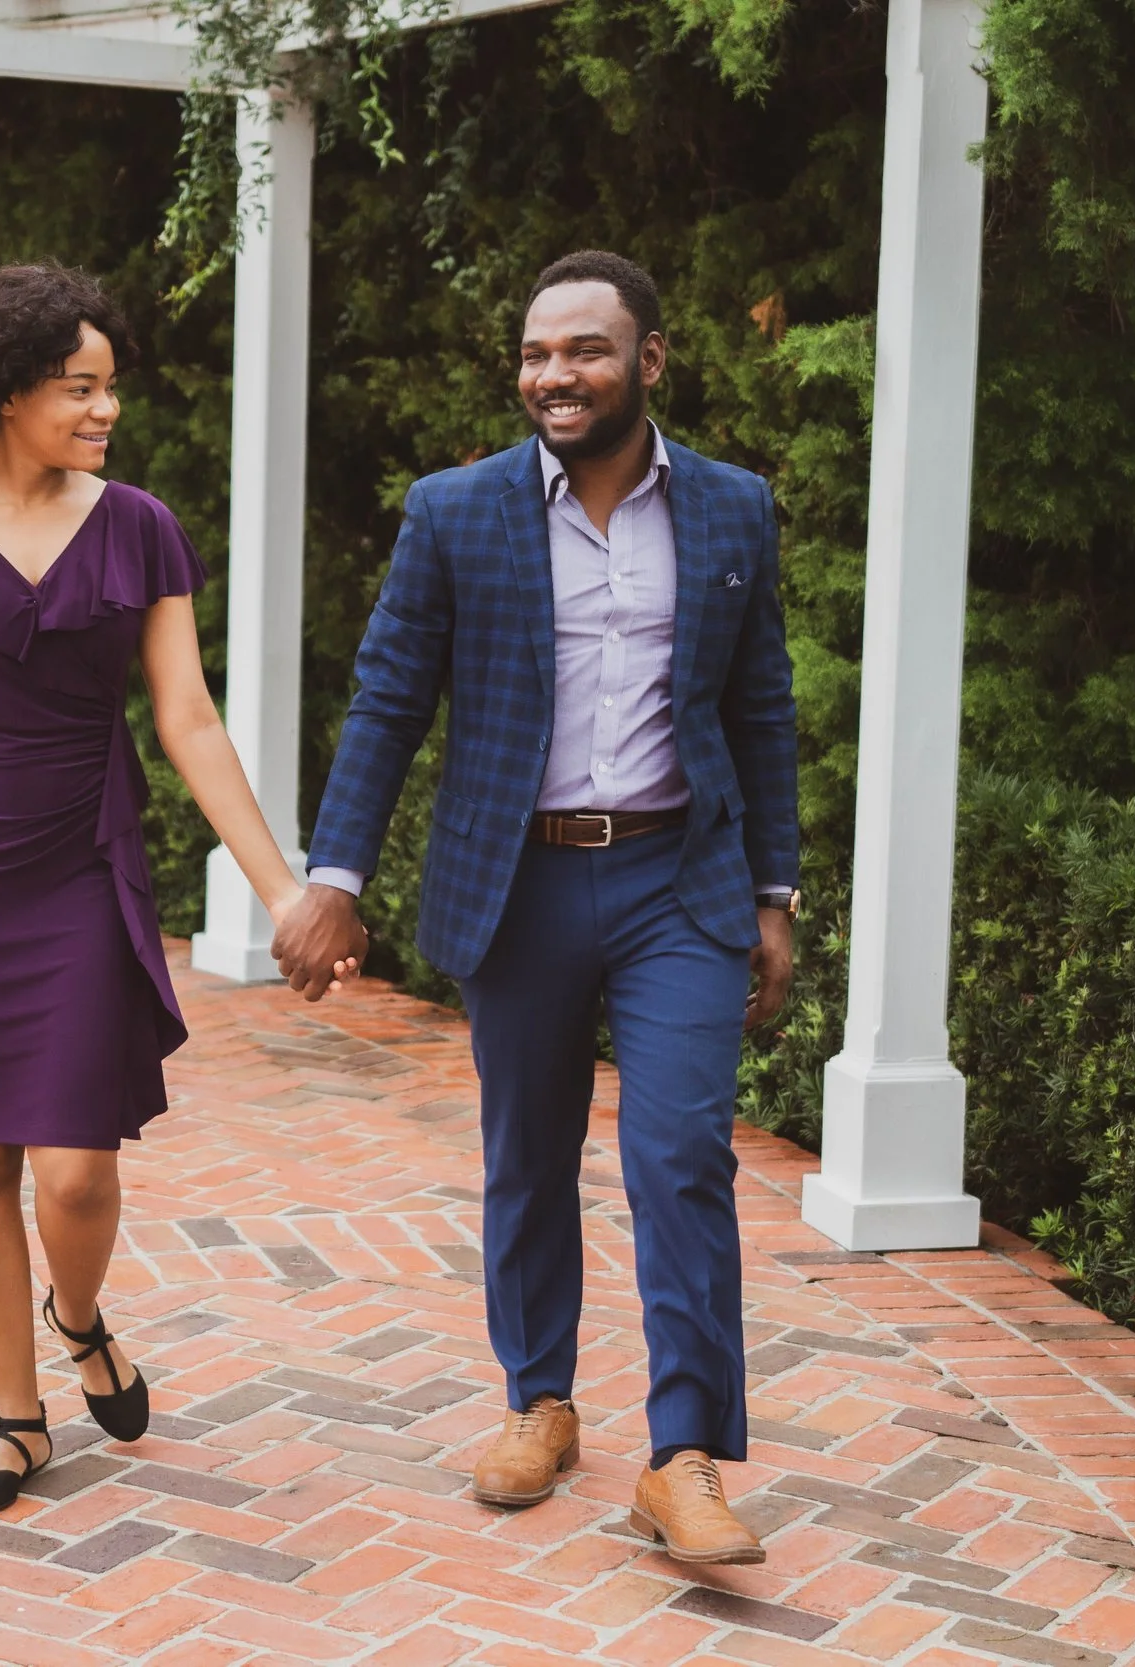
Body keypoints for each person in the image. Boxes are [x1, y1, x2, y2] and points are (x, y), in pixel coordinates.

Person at [0, 264, 348, 1516]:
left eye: (109, 388)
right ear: (6, 392)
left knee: (76, 1168)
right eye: (78, 389)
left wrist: (282, 890)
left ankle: (77, 1315)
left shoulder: (140, 525)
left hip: (82, 858)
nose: (104, 411)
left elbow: (188, 720)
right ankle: (17, 1416)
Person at [271, 250, 800, 1564]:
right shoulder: (458, 512)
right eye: (536, 352)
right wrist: (334, 876)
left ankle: (682, 1456)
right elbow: (391, 699)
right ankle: (540, 1398)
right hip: (519, 883)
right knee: (529, 1153)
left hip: (681, 877)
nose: (553, 374)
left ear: (652, 360)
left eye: (585, 350)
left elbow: (762, 707)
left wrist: (775, 892)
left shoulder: (733, 511)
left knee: (680, 1152)